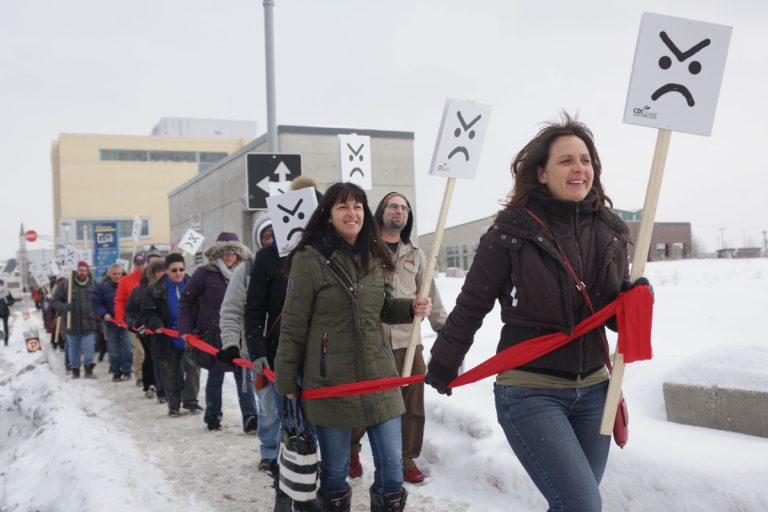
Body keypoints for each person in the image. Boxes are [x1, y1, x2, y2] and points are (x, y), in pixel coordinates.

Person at [425, 114, 639, 512]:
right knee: (582, 505)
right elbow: (472, 304)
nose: (580, 169)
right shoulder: (511, 232)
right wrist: (444, 361)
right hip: (531, 390)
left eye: (586, 160)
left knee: (573, 504)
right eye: (566, 161)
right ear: (541, 173)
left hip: (595, 389)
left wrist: (635, 299)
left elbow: (611, 319)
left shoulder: (613, 232)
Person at [274, 182, 432, 512]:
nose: (352, 213)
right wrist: (286, 381)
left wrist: (409, 308)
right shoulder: (309, 260)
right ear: (329, 216)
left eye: (358, 206)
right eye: (343, 207)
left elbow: (384, 307)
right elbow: (293, 326)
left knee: (391, 473)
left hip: (378, 376)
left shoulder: (375, 257)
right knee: (334, 475)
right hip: (331, 383)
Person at [349, 192, 448, 484]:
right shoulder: (362, 249)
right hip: (371, 341)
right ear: (381, 211)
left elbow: (429, 294)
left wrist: (445, 331)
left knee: (411, 403)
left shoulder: (416, 254)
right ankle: (351, 450)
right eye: (393, 205)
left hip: (408, 340)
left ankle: (406, 459)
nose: (399, 211)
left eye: (404, 207)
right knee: (363, 400)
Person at [179, 232, 258, 433]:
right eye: (225, 251)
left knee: (244, 377)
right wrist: (186, 330)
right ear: (217, 253)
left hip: (241, 333)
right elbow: (186, 300)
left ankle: (250, 418)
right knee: (215, 377)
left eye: (233, 251)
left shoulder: (248, 272)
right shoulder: (204, 273)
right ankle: (213, 416)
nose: (230, 255)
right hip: (213, 335)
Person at [140, 253, 201, 416]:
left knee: (193, 370)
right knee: (170, 373)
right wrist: (156, 324)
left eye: (181, 269)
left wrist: (199, 327)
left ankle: (191, 401)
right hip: (166, 338)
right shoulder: (154, 290)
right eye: (174, 270)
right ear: (167, 271)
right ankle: (173, 405)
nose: (178, 273)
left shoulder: (193, 285)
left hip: (190, 337)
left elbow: (200, 309)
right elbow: (147, 313)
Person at [126, 259, 167, 400]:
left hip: (164, 329)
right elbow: (130, 311)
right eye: (158, 270)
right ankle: (152, 385)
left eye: (163, 270)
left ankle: (167, 387)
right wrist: (135, 325)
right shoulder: (139, 290)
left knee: (166, 359)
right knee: (151, 357)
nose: (161, 273)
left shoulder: (170, 287)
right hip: (145, 330)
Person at [52, 261, 99, 379]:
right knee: (73, 349)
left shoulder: (94, 284)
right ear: (75, 271)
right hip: (70, 323)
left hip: (89, 322)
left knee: (89, 348)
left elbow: (99, 301)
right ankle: (75, 370)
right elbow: (55, 301)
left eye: (84, 270)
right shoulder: (65, 285)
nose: (82, 273)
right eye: (80, 270)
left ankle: (89, 370)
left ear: (88, 271)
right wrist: (64, 307)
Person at [91, 263, 133, 381]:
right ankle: (116, 372)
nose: (117, 276)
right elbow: (95, 303)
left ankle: (127, 370)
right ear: (109, 274)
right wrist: (104, 314)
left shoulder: (128, 284)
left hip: (125, 321)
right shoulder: (102, 286)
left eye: (119, 273)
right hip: (110, 322)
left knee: (127, 348)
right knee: (113, 349)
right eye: (114, 274)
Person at [115, 253, 148, 384]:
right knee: (139, 350)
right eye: (137, 264)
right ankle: (139, 375)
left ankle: (151, 375)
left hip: (150, 320)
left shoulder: (152, 277)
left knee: (150, 351)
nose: (140, 267)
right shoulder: (126, 280)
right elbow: (120, 300)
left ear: (146, 263)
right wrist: (119, 317)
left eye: (142, 264)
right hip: (134, 320)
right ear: (134, 264)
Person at [0, 279, 13, 346]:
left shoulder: (6, 292)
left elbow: (12, 300)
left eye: (1, 284)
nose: (1, 286)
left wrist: (9, 303)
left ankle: (6, 341)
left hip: (5, 312)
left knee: (5, 326)